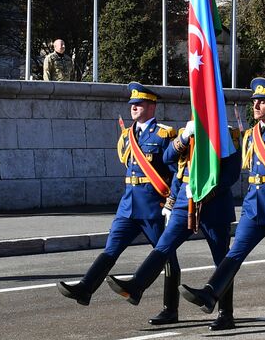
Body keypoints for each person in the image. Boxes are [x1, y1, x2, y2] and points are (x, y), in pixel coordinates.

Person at [182, 78, 265, 336]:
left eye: (262, 101)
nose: (257, 105)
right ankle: (210, 294)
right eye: (255, 101)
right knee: (234, 254)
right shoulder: (250, 136)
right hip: (253, 208)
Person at [105, 118, 241, 329]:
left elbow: (231, 173)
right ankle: (137, 285)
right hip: (183, 202)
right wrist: (185, 137)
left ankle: (225, 312)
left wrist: (205, 192)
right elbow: (170, 159)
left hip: (213, 206)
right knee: (164, 246)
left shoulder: (226, 134)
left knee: (221, 259)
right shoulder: (188, 131)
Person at [57, 83, 177, 308]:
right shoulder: (127, 136)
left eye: (139, 104)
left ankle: (170, 308)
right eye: (132, 104)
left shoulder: (164, 135)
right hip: (129, 205)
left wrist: (172, 202)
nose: (134, 107)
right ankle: (86, 288)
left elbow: (176, 172)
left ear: (152, 106)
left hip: (154, 206)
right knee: (111, 249)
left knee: (166, 256)